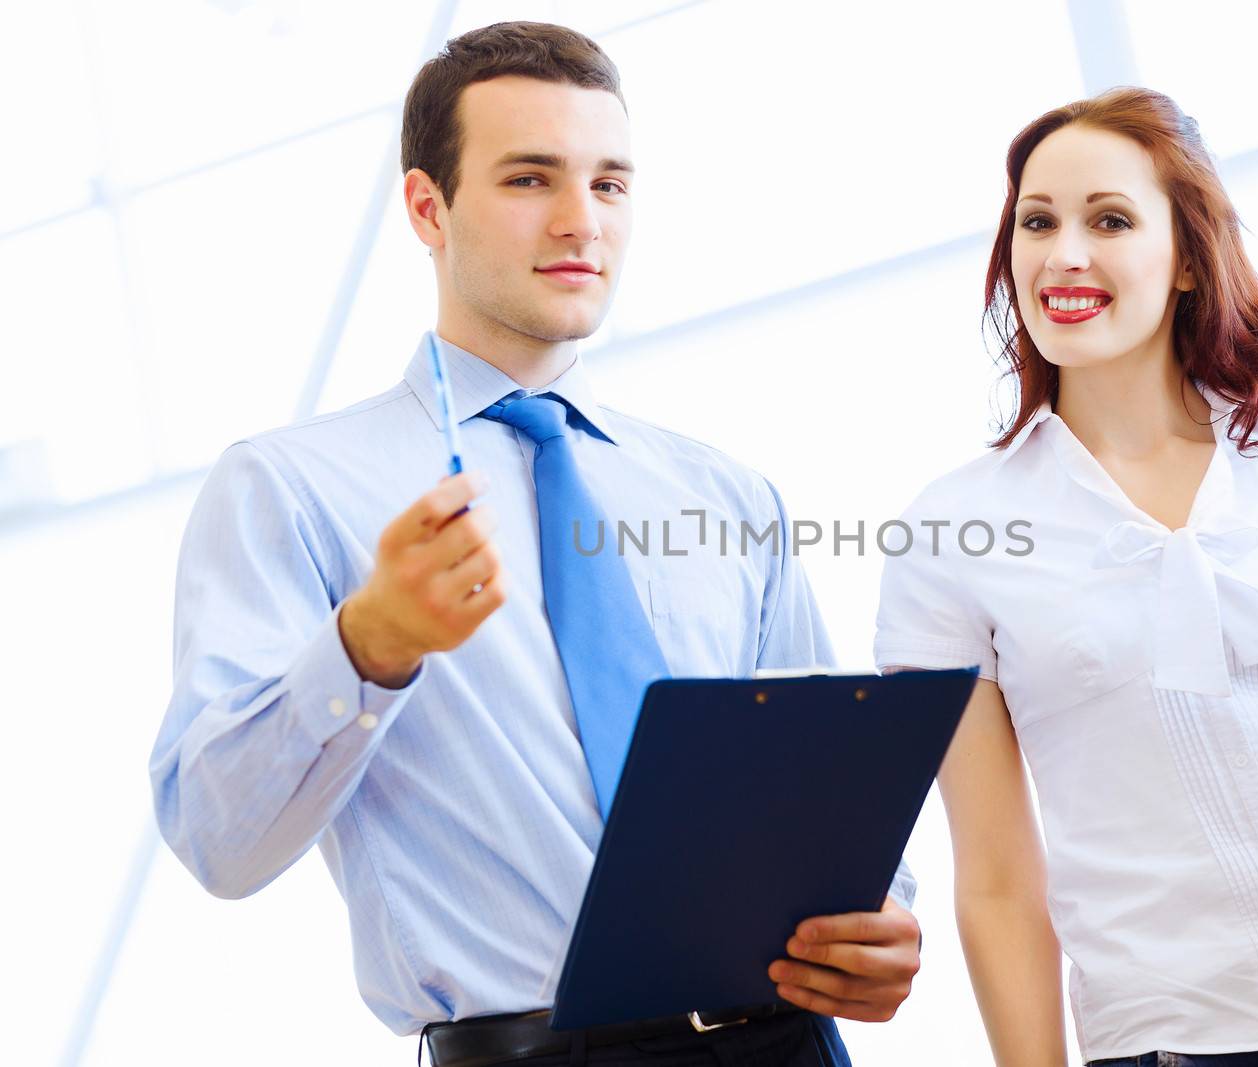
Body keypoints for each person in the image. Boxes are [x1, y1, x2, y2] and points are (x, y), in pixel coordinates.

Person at [149, 22, 920, 1067]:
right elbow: (217, 838)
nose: (579, 222)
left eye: (610, 185)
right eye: (529, 179)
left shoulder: (726, 495)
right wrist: (369, 644)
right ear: (429, 206)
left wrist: (874, 919)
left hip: (784, 1042)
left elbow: (811, 787)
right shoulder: (292, 489)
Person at [873, 87, 1258, 1066]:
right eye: (1036, 222)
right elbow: (1000, 878)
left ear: (1186, 257)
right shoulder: (949, 533)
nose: (1062, 254)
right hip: (1170, 1045)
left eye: (1107, 219)